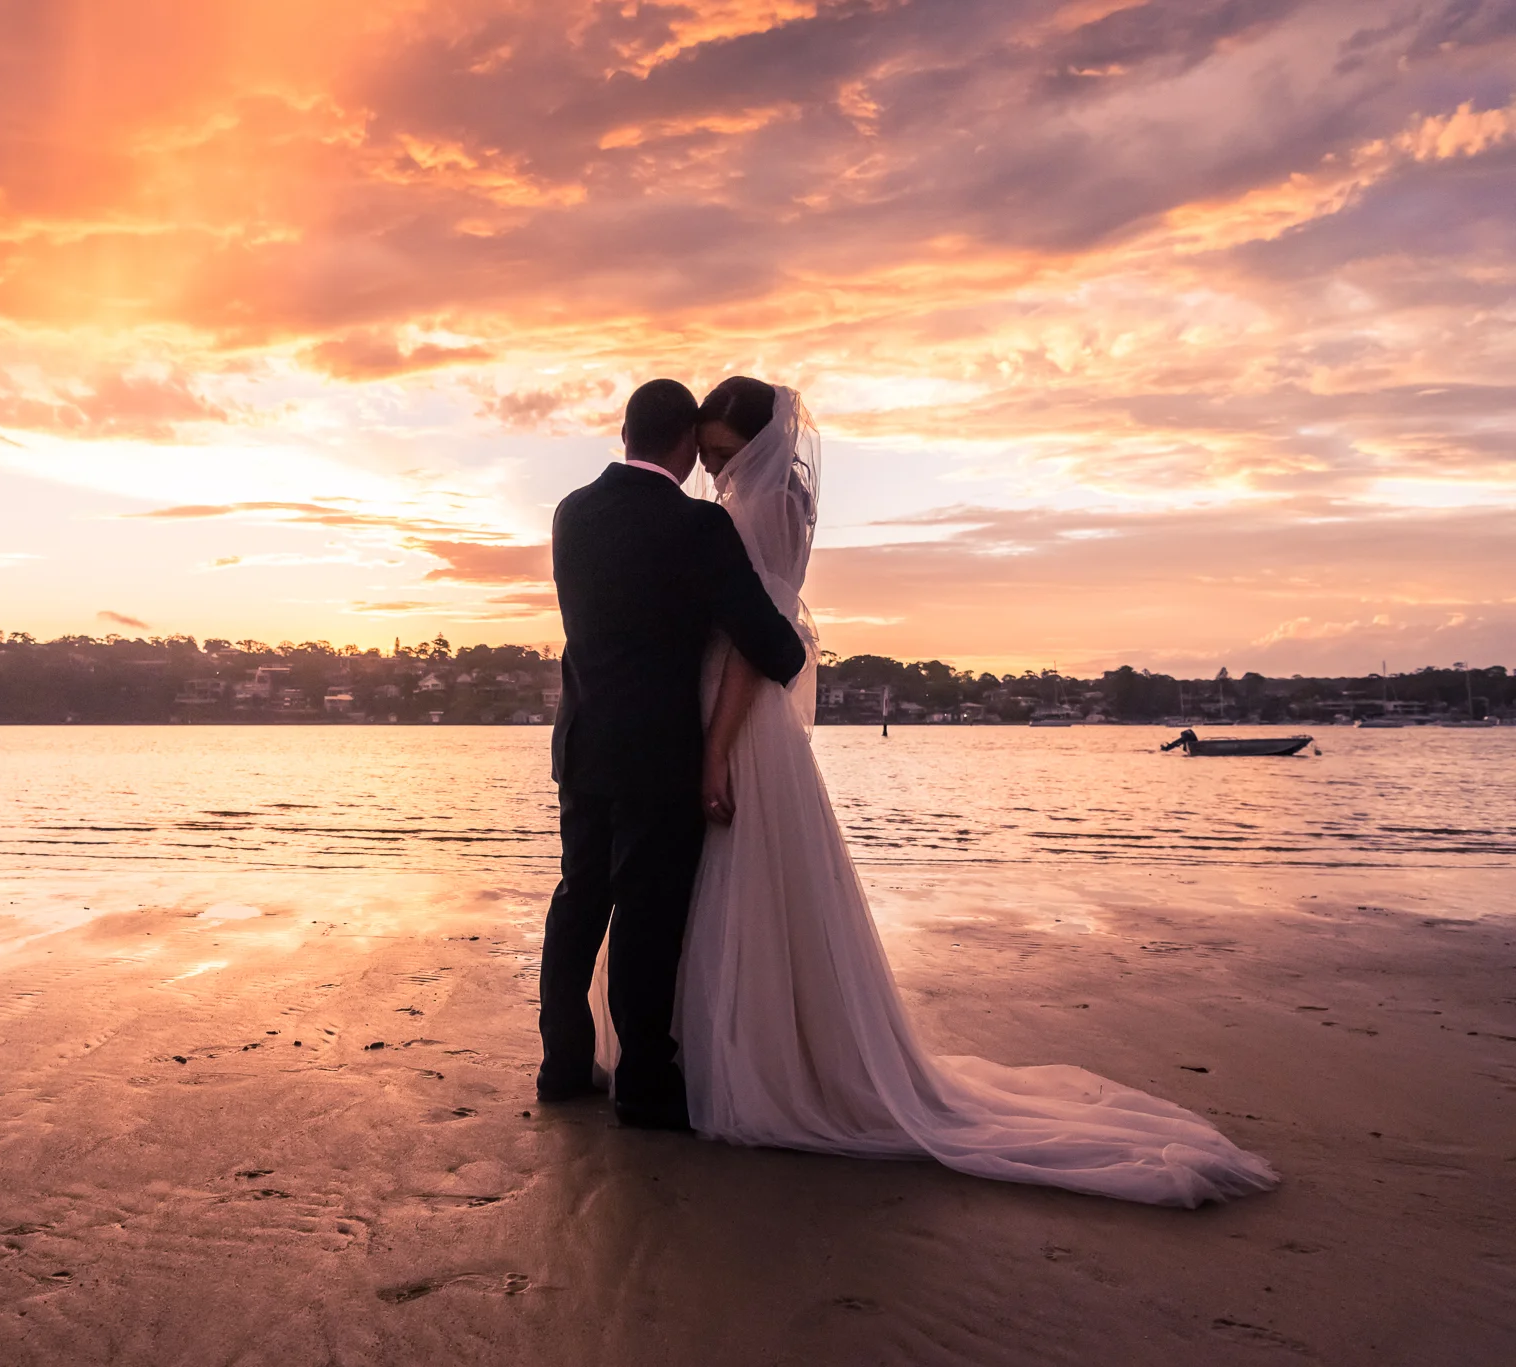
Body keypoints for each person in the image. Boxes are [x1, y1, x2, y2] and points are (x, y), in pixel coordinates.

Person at [668, 375, 1278, 1206]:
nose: (711, 470)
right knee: (751, 883)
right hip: (743, 714)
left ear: (758, 445)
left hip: (740, 718)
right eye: (705, 456)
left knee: (744, 876)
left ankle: (754, 1059)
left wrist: (716, 746)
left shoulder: (760, 508)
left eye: (721, 453)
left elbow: (753, 642)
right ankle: (745, 1043)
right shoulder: (771, 502)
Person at [539, 378, 807, 1129]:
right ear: (688, 443)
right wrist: (789, 648)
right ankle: (644, 1081)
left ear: (625, 433)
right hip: (657, 754)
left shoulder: (571, 511)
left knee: (578, 901)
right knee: (647, 917)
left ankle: (562, 1064)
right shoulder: (695, 525)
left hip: (582, 741)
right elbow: (764, 636)